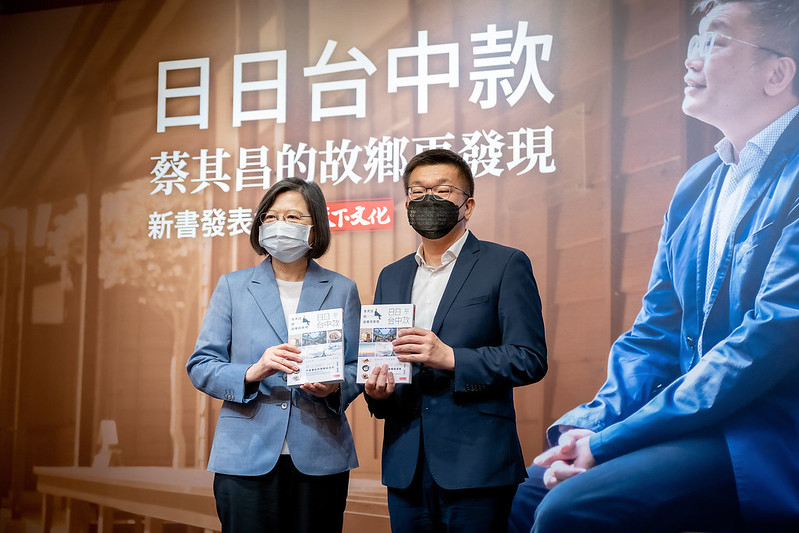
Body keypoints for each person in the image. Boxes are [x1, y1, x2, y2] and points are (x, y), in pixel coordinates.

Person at [510, 1, 799, 531]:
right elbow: (654, 334)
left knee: (571, 509)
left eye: (716, 41)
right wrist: (589, 427)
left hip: (765, 431)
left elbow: (769, 338)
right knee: (528, 490)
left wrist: (611, 442)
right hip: (690, 423)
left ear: (778, 73)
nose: (692, 58)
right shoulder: (696, 184)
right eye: (696, 41)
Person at [364, 148, 548, 533]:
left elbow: (529, 358)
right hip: (406, 464)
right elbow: (385, 359)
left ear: (469, 205)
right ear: (407, 203)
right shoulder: (391, 275)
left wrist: (451, 357)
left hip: (477, 462)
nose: (428, 199)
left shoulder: (505, 263)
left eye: (443, 190)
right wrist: (378, 394)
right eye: (418, 191)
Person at [186, 178, 361, 533]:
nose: (280, 224)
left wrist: (334, 387)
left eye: (293, 217)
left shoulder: (342, 289)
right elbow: (201, 366)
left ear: (315, 228)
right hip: (245, 456)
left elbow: (358, 365)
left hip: (320, 455)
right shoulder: (233, 286)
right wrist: (253, 371)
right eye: (271, 216)